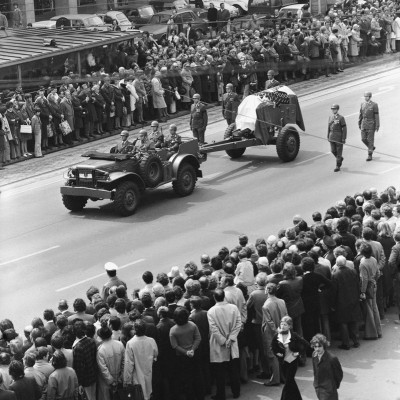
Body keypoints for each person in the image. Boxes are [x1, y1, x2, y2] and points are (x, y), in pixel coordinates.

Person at [207, 288, 242, 400]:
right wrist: (231, 339)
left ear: (214, 298)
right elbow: (238, 324)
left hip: (219, 345)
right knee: (234, 370)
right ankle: (236, 392)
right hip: (231, 344)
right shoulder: (234, 308)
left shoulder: (211, 311)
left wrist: (223, 341)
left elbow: (214, 329)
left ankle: (221, 395)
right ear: (224, 296)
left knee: (220, 373)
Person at [271, 316, 309, 400]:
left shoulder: (294, 335)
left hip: (293, 362)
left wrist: (298, 353)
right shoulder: (277, 336)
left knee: (288, 381)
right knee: (290, 382)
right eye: (281, 324)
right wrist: (277, 353)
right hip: (283, 363)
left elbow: (306, 344)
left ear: (289, 326)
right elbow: (273, 347)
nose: (283, 326)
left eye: (285, 324)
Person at [331, 256, 361, 349]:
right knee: (353, 320)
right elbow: (357, 284)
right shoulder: (353, 271)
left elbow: (334, 291)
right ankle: (356, 341)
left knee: (343, 322)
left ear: (337, 264)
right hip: (353, 298)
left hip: (341, 301)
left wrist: (332, 304)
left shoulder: (335, 274)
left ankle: (346, 343)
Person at [124, 319, 158, 400]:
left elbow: (129, 364)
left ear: (135, 330)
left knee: (139, 395)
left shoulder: (130, 343)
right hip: (149, 372)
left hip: (137, 376)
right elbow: (155, 355)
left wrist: (127, 380)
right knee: (148, 393)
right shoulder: (151, 341)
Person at [262, 283, 288, 387]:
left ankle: (275, 379)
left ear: (267, 291)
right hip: (282, 331)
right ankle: (282, 376)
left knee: (273, 356)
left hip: (271, 333)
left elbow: (269, 322)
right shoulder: (282, 301)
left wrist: (277, 331)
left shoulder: (266, 305)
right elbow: (286, 315)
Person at [96, 321, 125, 400]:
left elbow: (103, 369)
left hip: (106, 382)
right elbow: (124, 362)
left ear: (101, 337)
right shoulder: (120, 344)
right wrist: (121, 377)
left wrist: (111, 381)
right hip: (119, 378)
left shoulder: (101, 349)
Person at [359, 243, 382, 340]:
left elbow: (364, 279)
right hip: (374, 285)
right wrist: (375, 281)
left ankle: (372, 333)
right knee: (375, 308)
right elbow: (378, 273)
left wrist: (362, 291)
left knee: (369, 310)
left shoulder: (363, 263)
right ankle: (378, 330)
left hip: (368, 286)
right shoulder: (374, 259)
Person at [311, 334, 343, 400]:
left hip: (329, 390)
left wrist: (333, 386)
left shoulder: (332, 358)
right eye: (315, 346)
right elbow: (315, 371)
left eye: (319, 346)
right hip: (319, 388)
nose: (317, 349)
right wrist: (316, 384)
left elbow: (339, 375)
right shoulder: (314, 355)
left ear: (324, 346)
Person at [72, 320, 97, 400]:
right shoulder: (91, 341)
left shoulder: (77, 347)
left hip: (86, 379)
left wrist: (80, 384)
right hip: (93, 374)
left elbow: (79, 368)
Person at [359, 91, 379, 161]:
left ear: (370, 97)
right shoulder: (362, 104)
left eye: (367, 96)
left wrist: (377, 125)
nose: (366, 98)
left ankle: (369, 155)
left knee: (370, 140)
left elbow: (376, 115)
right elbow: (361, 114)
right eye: (365, 96)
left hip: (371, 124)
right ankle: (371, 147)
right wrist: (359, 122)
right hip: (364, 124)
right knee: (363, 139)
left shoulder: (374, 105)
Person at [327, 104, 347, 172]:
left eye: (334, 109)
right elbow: (329, 127)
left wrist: (344, 138)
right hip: (331, 136)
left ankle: (338, 165)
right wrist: (328, 136)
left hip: (338, 137)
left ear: (337, 109)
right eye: (332, 109)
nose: (333, 110)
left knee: (339, 152)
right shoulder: (330, 117)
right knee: (333, 150)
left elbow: (344, 128)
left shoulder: (341, 118)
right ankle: (340, 158)